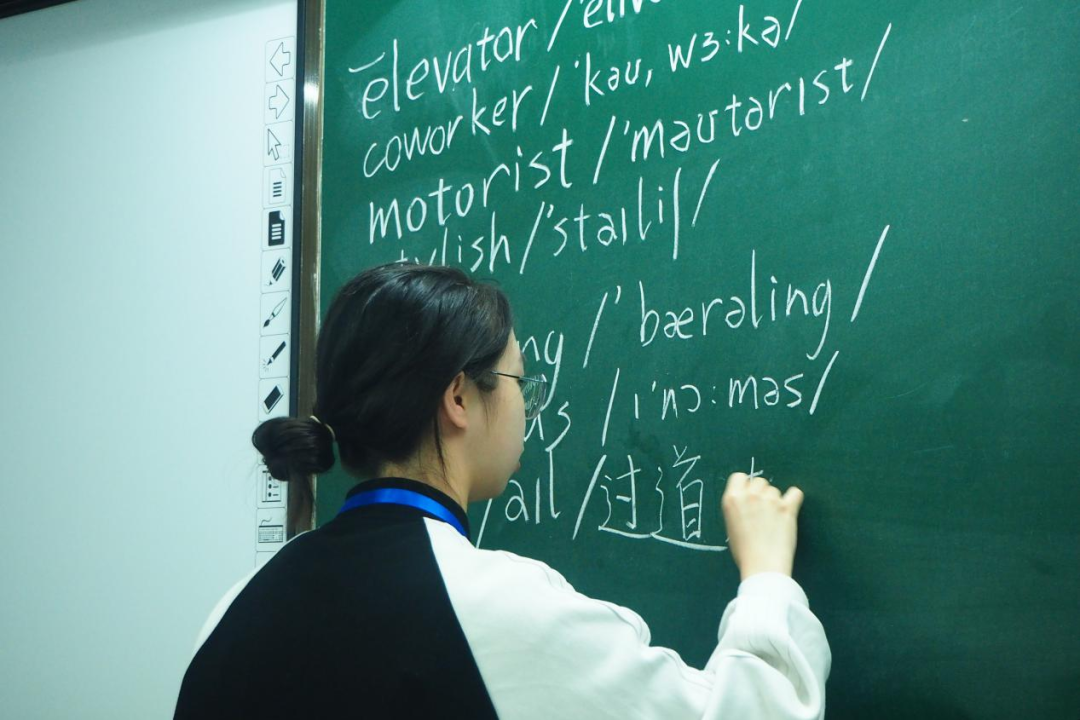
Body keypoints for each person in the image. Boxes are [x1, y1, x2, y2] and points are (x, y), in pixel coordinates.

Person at [173, 262, 830, 719]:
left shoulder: (236, 607)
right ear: (459, 397)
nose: (528, 409)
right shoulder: (499, 610)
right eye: (520, 383)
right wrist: (767, 582)